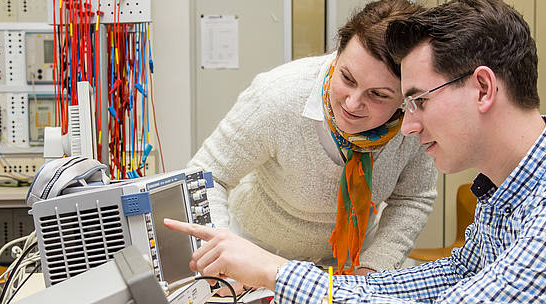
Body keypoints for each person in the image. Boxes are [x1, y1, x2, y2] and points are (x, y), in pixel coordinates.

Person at [166, 0, 546, 302]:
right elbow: (446, 279)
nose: (410, 126)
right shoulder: (509, 188)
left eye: (417, 101)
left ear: (484, 89)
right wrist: (292, 279)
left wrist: (280, 275)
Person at [187, 0, 437, 279]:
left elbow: (412, 198)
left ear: (406, 97)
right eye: (347, 78)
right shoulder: (278, 97)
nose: (353, 104)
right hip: (257, 257)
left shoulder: (414, 122)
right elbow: (207, 174)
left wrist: (372, 269)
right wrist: (219, 259)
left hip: (348, 266)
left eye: (378, 95)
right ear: (337, 55)